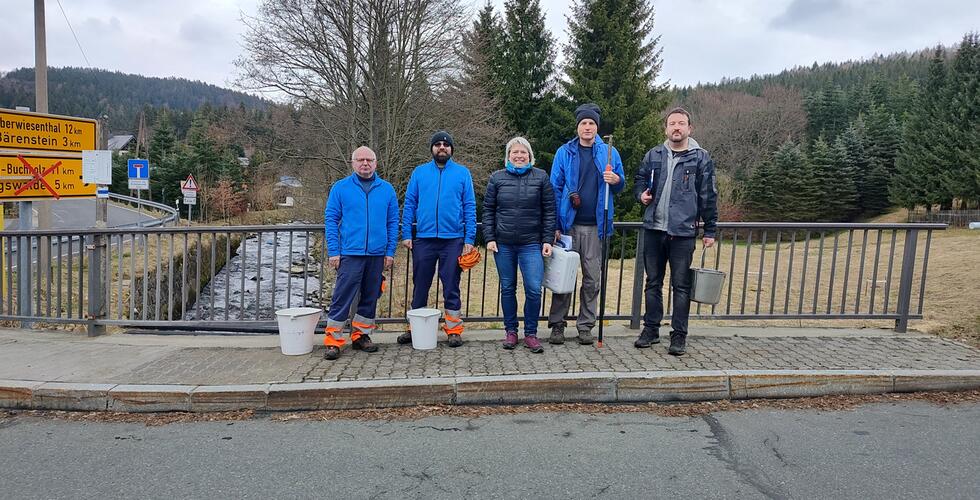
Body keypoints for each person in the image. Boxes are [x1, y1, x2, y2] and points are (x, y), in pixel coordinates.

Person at [633, 107, 718, 355]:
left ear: (690, 129)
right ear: (666, 128)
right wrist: (641, 195)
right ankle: (650, 330)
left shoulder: (700, 158)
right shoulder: (654, 155)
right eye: (672, 123)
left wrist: (710, 229)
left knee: (681, 286)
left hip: (682, 232)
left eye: (681, 123)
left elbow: (709, 195)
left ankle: (679, 335)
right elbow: (639, 180)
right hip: (654, 229)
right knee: (653, 283)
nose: (676, 127)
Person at [547, 103, 626, 346]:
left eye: (591, 123)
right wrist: (555, 225)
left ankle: (586, 325)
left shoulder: (609, 153)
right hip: (568, 226)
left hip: (596, 226)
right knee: (564, 276)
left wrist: (616, 180)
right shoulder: (564, 152)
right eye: (584, 123)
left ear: (597, 127)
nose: (587, 127)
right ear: (578, 126)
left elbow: (621, 185)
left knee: (592, 279)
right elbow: (554, 188)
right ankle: (558, 325)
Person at [399, 131, 477, 348]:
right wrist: (407, 234)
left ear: (451, 149)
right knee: (420, 285)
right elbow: (410, 203)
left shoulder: (462, 173)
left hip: (453, 240)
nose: (442, 147)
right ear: (432, 149)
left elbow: (470, 206)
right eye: (438, 144)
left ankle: (453, 329)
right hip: (424, 238)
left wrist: (469, 238)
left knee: (451, 285)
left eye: (446, 145)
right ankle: (415, 328)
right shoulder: (419, 172)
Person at [321, 146, 400, 360]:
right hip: (349, 253)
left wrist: (390, 251)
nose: (365, 163)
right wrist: (334, 251)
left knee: (371, 296)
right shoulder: (340, 188)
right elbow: (331, 220)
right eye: (360, 160)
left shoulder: (387, 189)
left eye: (369, 160)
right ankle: (333, 340)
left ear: (376, 163)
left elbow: (393, 222)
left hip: (376, 254)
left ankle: (361, 335)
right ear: (353, 163)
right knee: (342, 296)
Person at [483, 137, 556, 353]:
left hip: (531, 244)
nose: (519, 156)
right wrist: (489, 238)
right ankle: (511, 332)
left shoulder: (541, 177)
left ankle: (531, 334)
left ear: (530, 155)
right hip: (503, 245)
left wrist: (547, 239)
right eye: (514, 152)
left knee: (534, 289)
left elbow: (549, 211)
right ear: (508, 155)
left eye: (523, 152)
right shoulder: (496, 178)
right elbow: (488, 210)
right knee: (508, 288)